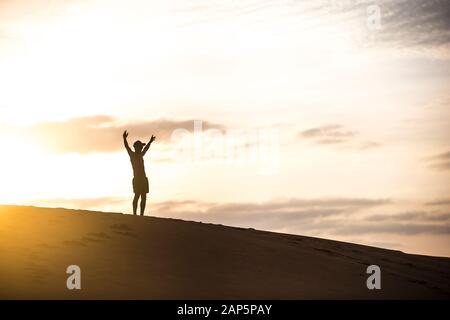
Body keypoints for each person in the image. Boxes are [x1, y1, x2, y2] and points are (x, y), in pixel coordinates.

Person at [123, 130, 156, 216]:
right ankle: (135, 214)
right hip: (137, 179)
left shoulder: (141, 154)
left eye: (141, 147)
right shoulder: (132, 155)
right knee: (137, 196)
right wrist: (124, 138)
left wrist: (150, 142)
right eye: (140, 146)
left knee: (144, 197)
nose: (141, 148)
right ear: (136, 147)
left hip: (143, 178)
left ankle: (141, 215)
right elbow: (127, 147)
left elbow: (146, 148)